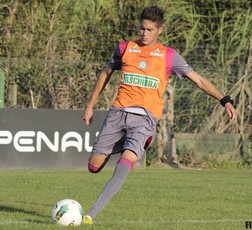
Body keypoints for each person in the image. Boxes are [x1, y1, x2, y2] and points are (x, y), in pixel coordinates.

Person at [82, 5, 237, 225]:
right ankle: (123, 144)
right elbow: (105, 73)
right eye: (142, 29)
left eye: (150, 30)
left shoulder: (169, 55)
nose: (145, 33)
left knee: (125, 164)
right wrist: (90, 106)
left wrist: (224, 100)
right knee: (93, 167)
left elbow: (199, 80)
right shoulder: (124, 48)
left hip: (145, 120)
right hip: (118, 114)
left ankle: (91, 214)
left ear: (160, 30)